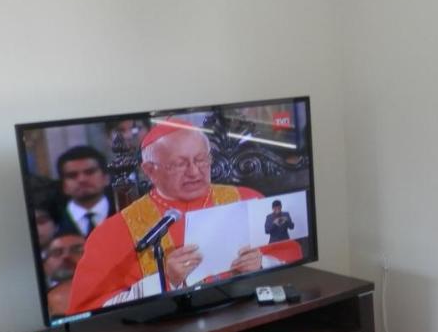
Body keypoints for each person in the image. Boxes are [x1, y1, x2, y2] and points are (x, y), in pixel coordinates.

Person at [66, 119, 301, 313]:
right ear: (150, 170)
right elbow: (88, 311)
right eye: (179, 164)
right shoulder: (113, 233)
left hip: (246, 313)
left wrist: (262, 264)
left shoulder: (248, 199)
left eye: (201, 160)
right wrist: (164, 280)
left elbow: (295, 266)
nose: (194, 172)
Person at [54, 146, 114, 237]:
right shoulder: (53, 221)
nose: (82, 180)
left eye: (90, 172)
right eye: (72, 175)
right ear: (64, 185)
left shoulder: (125, 212)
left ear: (106, 178)